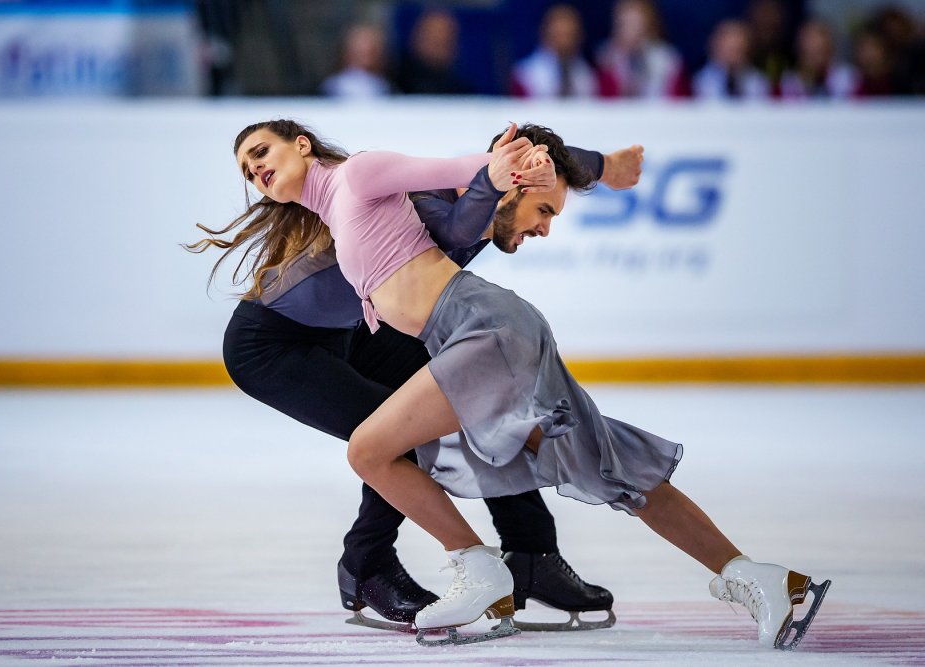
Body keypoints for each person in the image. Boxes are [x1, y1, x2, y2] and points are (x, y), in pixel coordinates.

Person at [209, 119, 831, 649]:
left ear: (304, 145)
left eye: (261, 151)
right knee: (598, 460)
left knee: (375, 449)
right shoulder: (371, 192)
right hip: (458, 332)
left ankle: (484, 570)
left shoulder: (377, 184)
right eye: (544, 211)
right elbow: (492, 170)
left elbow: (490, 174)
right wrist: (597, 167)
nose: (544, 229)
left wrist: (539, 169)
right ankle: (758, 578)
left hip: (484, 330)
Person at [192, 126, 642, 632]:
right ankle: (367, 566)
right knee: (398, 441)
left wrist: (604, 165)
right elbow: (473, 200)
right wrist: (550, 168)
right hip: (273, 345)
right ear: (507, 176)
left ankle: (532, 551)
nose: (542, 226)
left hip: (358, 326)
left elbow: (549, 156)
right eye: (542, 206)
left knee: (488, 403)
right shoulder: (434, 200)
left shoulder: (495, 191)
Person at [595, 0, 690, 98]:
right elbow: (602, 100)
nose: (631, 30)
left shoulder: (668, 58)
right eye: (625, 23)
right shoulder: (606, 57)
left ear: (648, 23)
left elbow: (680, 102)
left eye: (635, 23)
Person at [510, 4, 600, 98]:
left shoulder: (590, 76)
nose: (563, 42)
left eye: (569, 35)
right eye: (558, 34)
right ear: (544, 33)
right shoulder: (525, 76)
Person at [396, 9, 473, 95]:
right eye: (433, 38)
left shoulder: (461, 90)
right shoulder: (395, 81)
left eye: (445, 40)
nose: (438, 44)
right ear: (416, 37)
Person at [693, 19, 771, 100]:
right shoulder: (698, 81)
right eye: (728, 50)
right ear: (714, 48)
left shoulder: (758, 82)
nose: (732, 57)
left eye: (737, 50)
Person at [779, 19, 856, 100]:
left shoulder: (848, 80)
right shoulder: (788, 82)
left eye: (821, 52)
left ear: (831, 50)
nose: (816, 60)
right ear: (800, 51)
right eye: (811, 53)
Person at [320, 23, 393, 98]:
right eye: (360, 50)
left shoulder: (385, 87)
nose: (365, 51)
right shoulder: (332, 86)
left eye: (370, 50)